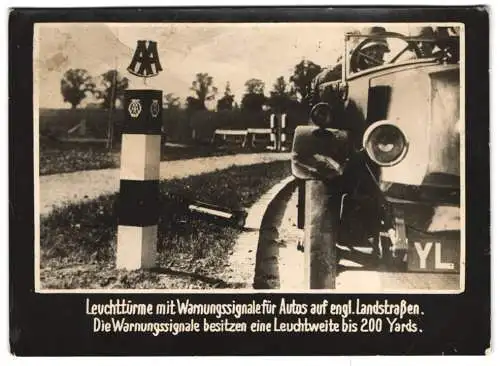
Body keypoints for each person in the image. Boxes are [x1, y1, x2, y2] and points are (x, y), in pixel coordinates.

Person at [307, 26, 391, 108]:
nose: (376, 53)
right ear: (363, 50)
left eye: (380, 49)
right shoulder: (346, 69)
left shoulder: (386, 71)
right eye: (371, 48)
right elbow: (320, 82)